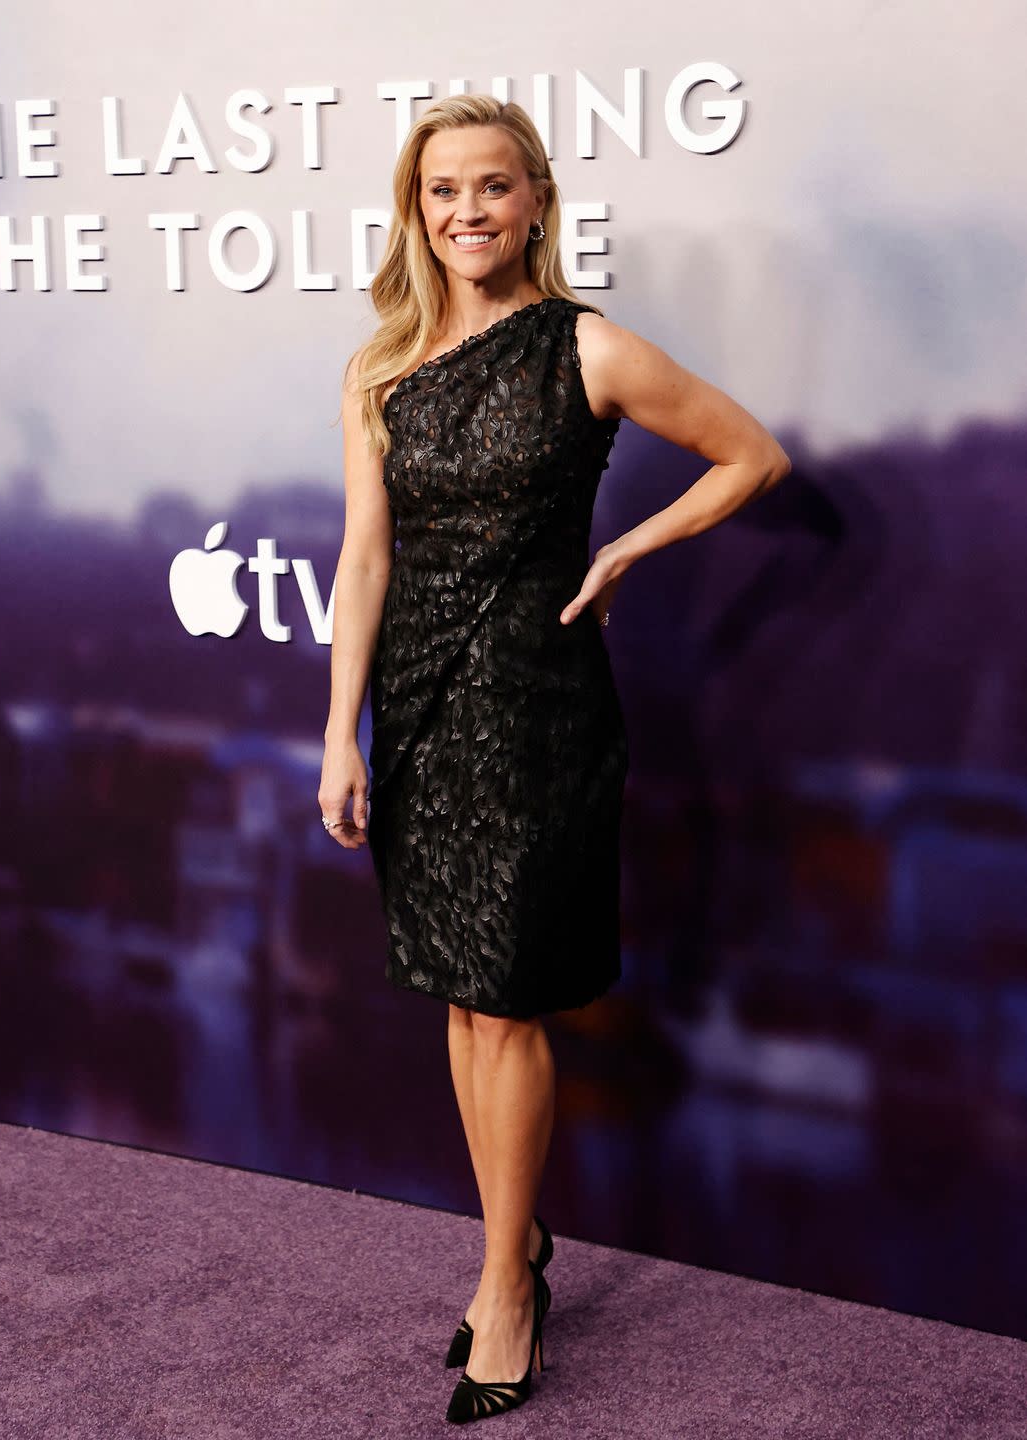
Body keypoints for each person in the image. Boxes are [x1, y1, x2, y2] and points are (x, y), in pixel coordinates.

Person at [319, 93, 791, 1424]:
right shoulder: (379, 366)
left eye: (490, 187)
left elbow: (749, 454)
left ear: (532, 200)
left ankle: (508, 1289)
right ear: (415, 213)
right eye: (440, 193)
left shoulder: (584, 348)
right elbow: (364, 561)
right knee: (461, 1003)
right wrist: (336, 730)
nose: (466, 212)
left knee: (510, 1000)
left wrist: (630, 547)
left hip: (537, 715)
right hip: (416, 712)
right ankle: (508, 1243)